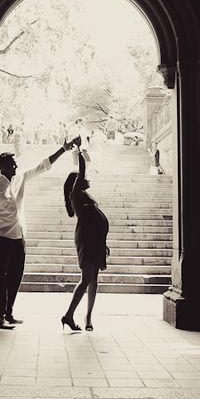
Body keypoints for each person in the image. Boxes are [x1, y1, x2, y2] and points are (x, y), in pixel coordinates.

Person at [0, 137, 78, 329]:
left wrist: (63, 149)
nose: (16, 166)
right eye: (13, 164)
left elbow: (42, 166)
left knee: (15, 276)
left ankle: (8, 312)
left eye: (16, 164)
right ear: (3, 166)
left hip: (18, 236)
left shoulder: (20, 177)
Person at [61, 141, 109, 332]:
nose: (87, 178)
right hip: (87, 240)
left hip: (96, 240)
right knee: (87, 278)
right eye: (83, 177)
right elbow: (82, 170)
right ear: (77, 182)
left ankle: (88, 316)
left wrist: (103, 242)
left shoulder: (84, 195)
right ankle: (69, 315)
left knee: (93, 279)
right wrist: (79, 151)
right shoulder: (76, 194)